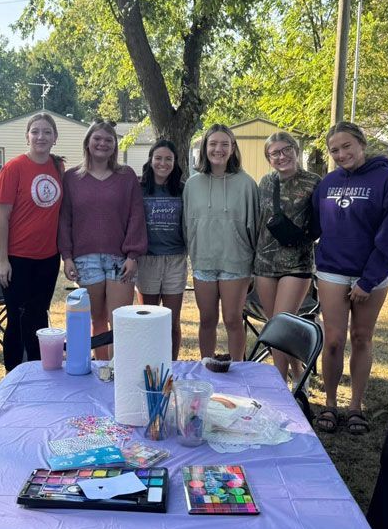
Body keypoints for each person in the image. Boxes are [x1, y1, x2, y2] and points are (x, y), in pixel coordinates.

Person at [310, 121, 388, 435]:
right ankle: (330, 403)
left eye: (346, 146)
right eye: (334, 150)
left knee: (362, 338)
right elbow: (317, 225)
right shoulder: (327, 184)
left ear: (362, 144)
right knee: (334, 340)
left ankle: (355, 406)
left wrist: (368, 280)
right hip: (332, 271)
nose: (341, 154)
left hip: (372, 276)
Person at [59, 120, 147, 359]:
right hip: (85, 259)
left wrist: (133, 255)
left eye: (109, 140)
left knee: (119, 319)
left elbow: (136, 215)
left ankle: (121, 368)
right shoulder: (71, 178)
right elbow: (64, 220)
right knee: (97, 320)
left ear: (115, 146)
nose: (102, 144)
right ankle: (102, 368)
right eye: (97, 138)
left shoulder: (126, 176)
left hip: (119, 258)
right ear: (87, 143)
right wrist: (67, 257)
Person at [183, 124, 259, 364]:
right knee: (206, 319)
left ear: (233, 148)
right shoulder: (192, 185)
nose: (218, 149)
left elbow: (254, 226)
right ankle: (207, 366)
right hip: (203, 261)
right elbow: (186, 225)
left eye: (224, 144)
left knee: (232, 319)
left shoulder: (246, 184)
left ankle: (238, 368)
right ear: (204, 148)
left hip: (235, 262)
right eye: (213, 143)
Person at [0, 113, 65, 374]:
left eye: (47, 132)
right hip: (17, 257)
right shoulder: (13, 168)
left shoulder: (58, 169)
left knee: (39, 316)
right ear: (27, 136)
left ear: (55, 138)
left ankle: (38, 369)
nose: (41, 137)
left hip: (48, 257)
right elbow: (1, 217)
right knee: (16, 318)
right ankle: (13, 374)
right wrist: (3, 260)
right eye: (35, 132)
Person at [254, 131, 321, 385]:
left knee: (280, 326)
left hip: (297, 263)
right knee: (275, 327)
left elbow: (319, 226)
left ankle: (279, 385)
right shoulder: (265, 183)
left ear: (295, 150)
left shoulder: (313, 182)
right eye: (275, 153)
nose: (281, 156)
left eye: (286, 150)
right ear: (268, 158)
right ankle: (298, 375)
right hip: (264, 263)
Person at [136, 140, 187, 358]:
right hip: (147, 260)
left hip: (175, 259)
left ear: (175, 163)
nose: (163, 163)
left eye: (168, 159)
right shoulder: (139, 188)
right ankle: (148, 364)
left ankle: (170, 366)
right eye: (158, 158)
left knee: (171, 321)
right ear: (151, 160)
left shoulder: (183, 190)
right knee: (148, 320)